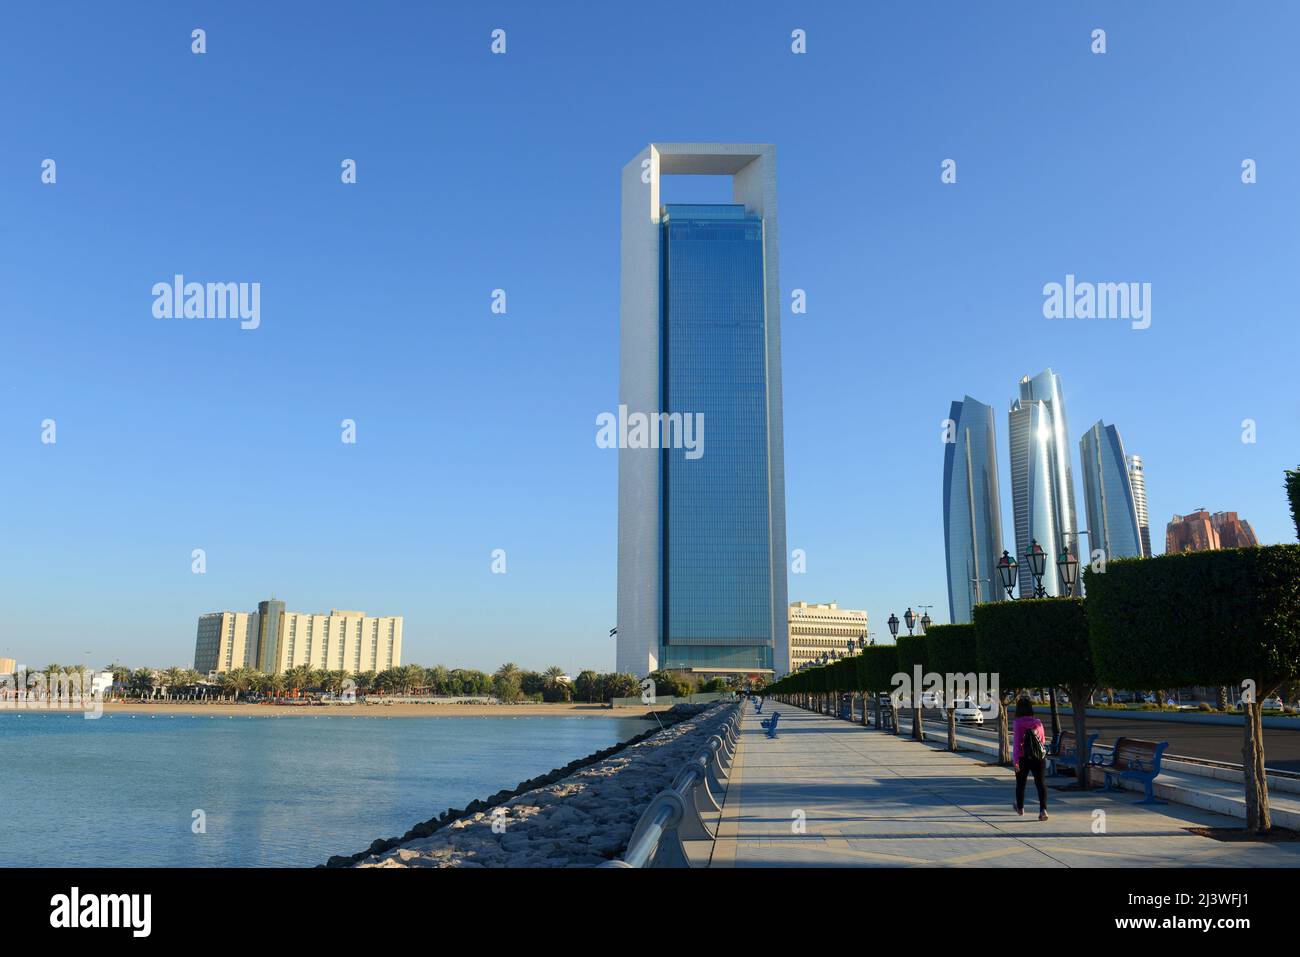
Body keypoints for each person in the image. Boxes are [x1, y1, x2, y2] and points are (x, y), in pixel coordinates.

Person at [1012, 696, 1048, 820]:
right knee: (1041, 784)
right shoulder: (1038, 722)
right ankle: (1043, 811)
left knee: (1021, 784)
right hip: (1038, 758)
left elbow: (1017, 744)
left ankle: (1020, 808)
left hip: (1023, 758)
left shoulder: (1017, 723)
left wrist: (1015, 761)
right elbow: (1042, 741)